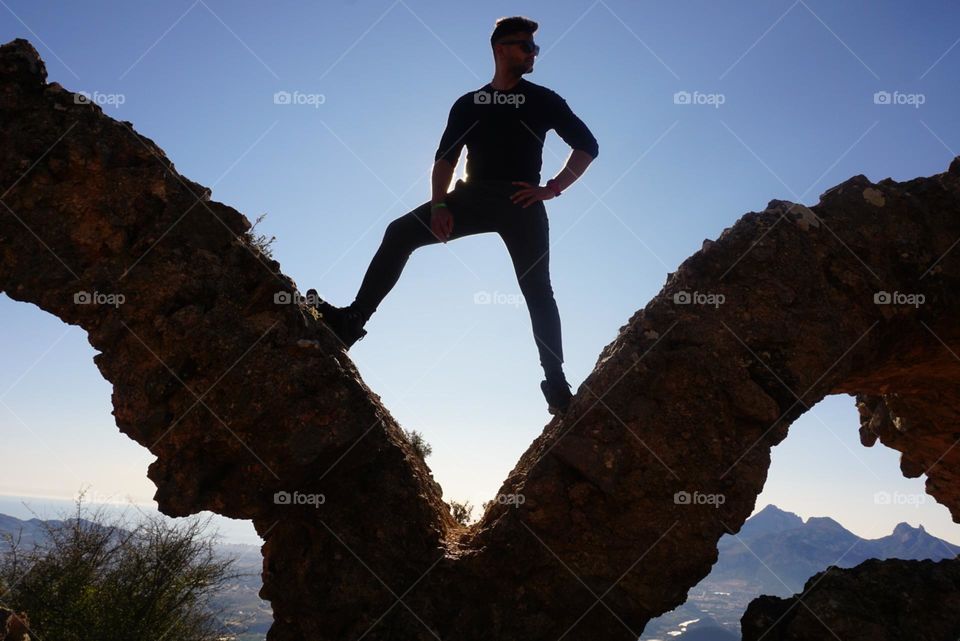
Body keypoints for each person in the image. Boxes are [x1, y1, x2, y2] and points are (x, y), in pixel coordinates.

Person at [311, 16, 598, 415]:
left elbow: (587, 146)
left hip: (521, 203)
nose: (533, 53)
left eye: (536, 47)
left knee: (538, 290)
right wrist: (441, 204)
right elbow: (446, 158)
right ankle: (350, 322)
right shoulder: (470, 103)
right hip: (472, 196)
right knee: (400, 233)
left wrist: (551, 188)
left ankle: (556, 384)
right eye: (525, 46)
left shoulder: (545, 99)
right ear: (500, 49)